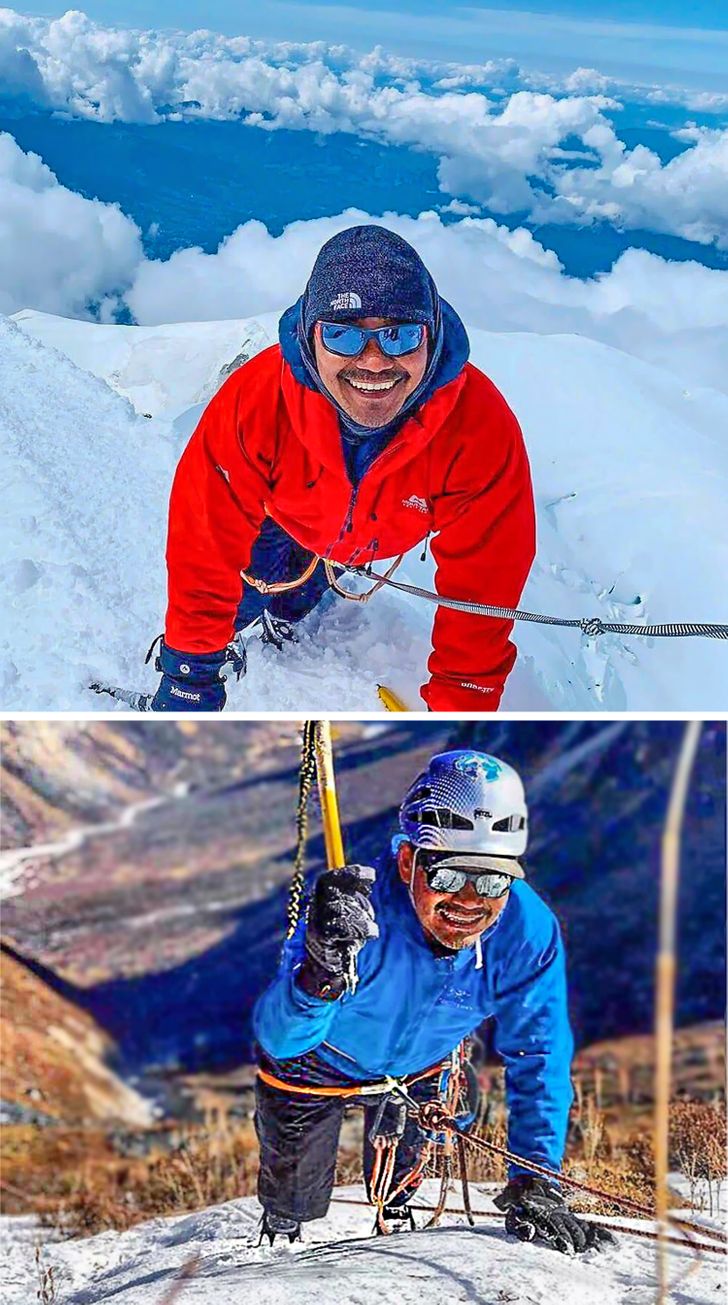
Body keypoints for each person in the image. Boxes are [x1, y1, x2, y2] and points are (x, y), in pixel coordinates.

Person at [151, 225, 535, 712]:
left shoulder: (480, 429)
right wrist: (191, 672)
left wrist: (460, 715)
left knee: (296, 603)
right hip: (283, 517)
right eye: (342, 335)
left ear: (433, 336)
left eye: (399, 336)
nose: (373, 362)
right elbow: (204, 546)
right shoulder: (256, 402)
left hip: (364, 533)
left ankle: (297, 597)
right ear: (310, 339)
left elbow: (484, 588)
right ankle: (253, 618)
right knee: (244, 600)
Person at [252, 749, 614, 1252]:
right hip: (317, 1061)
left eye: (492, 880)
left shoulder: (526, 934)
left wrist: (535, 1177)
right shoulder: (350, 915)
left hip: (422, 1065)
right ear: (408, 861)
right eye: (447, 876)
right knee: (295, 1189)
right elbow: (279, 1039)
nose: (469, 900)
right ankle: (283, 1228)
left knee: (405, 1171)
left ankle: (397, 1214)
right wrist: (319, 978)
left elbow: (540, 1052)